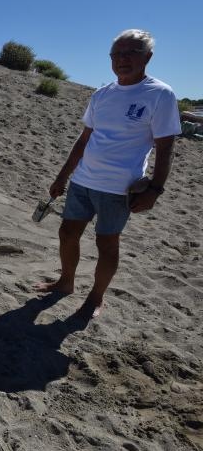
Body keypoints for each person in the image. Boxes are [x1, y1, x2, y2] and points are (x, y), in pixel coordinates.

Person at [35, 29, 181, 319]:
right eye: (117, 54)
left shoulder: (160, 94)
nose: (122, 59)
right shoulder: (102, 94)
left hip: (119, 188)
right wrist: (63, 176)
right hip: (83, 181)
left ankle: (96, 297)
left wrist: (155, 190)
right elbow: (85, 138)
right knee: (67, 233)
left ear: (147, 57)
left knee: (107, 244)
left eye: (131, 52)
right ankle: (66, 282)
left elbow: (166, 148)